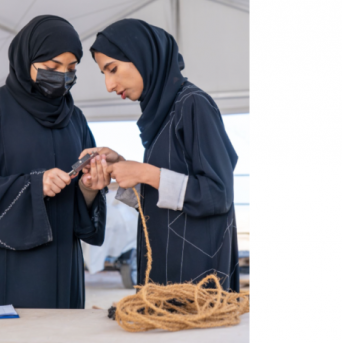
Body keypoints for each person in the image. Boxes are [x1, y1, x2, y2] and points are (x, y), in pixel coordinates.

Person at [0, 15, 110, 309]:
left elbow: (83, 207)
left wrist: (90, 190)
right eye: (52, 67)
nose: (62, 76)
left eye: (71, 69)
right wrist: (34, 185)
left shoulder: (75, 120)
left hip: (60, 271)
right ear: (25, 58)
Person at [81, 19, 240, 292]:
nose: (109, 85)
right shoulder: (163, 115)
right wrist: (121, 167)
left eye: (113, 69)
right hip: (167, 270)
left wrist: (144, 172)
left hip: (197, 277)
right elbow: (167, 196)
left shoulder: (192, 104)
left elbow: (217, 194)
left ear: (142, 56)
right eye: (104, 74)